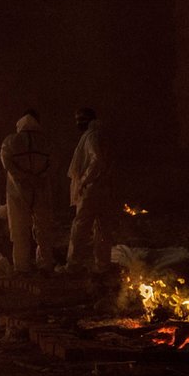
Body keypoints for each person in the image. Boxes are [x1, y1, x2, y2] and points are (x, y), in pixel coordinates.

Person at [0, 109, 55, 273]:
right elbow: (54, 164)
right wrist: (39, 176)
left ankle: (22, 267)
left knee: (19, 229)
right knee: (43, 228)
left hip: (18, 191)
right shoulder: (46, 142)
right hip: (41, 189)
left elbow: (6, 161)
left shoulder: (11, 141)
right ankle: (45, 265)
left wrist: (22, 176)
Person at [64, 107, 114, 273]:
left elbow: (96, 160)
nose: (78, 122)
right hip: (104, 188)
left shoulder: (91, 136)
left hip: (91, 189)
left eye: (81, 118)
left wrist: (84, 180)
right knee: (102, 228)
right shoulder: (102, 135)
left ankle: (73, 265)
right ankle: (102, 266)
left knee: (80, 226)